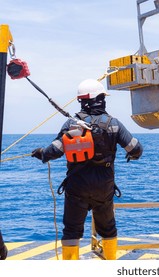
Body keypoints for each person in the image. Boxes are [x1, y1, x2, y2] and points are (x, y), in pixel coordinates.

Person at [31, 79, 143, 260]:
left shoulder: (71, 125)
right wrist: (133, 155)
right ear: (99, 99)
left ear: (83, 101)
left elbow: (54, 151)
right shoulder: (114, 124)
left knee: (72, 232)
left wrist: (41, 153)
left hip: (77, 186)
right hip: (104, 187)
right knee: (108, 229)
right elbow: (135, 148)